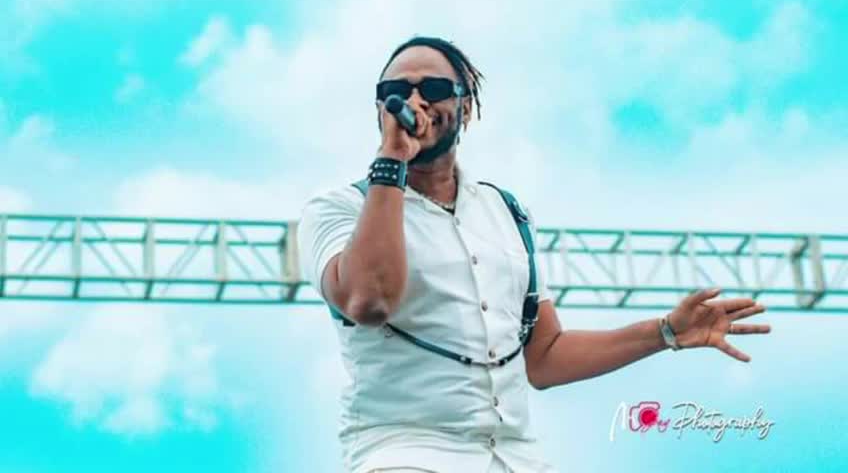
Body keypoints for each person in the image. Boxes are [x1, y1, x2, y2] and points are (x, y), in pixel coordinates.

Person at [296, 36, 772, 473]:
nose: (415, 99)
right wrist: (392, 161)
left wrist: (665, 332)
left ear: (466, 107)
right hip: (405, 454)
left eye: (435, 88)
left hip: (516, 459)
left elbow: (543, 357)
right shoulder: (340, 209)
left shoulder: (505, 211)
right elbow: (370, 300)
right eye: (396, 91)